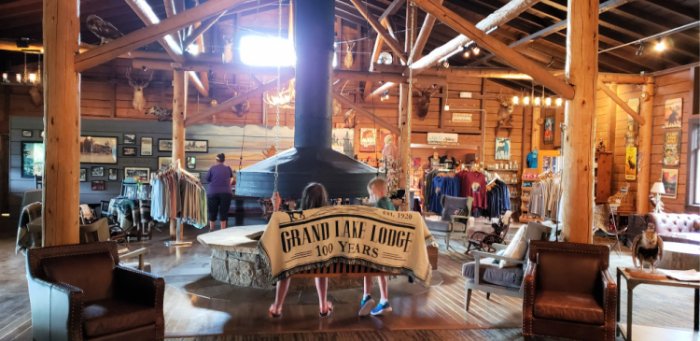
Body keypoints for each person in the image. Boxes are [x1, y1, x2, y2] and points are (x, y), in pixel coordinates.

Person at [268, 183, 333, 318]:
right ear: (324, 199)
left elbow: (275, 228)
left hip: (297, 264)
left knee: (285, 266)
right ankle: (323, 306)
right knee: (322, 266)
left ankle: (277, 307)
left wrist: (276, 206)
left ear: (305, 199)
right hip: (319, 264)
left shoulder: (295, 218)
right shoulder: (330, 220)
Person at [359, 177, 394, 316]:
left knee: (365, 260)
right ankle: (379, 299)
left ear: (377, 191)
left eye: (371, 193)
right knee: (378, 270)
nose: (370, 197)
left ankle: (368, 296)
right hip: (389, 246)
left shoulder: (379, 204)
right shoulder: (390, 204)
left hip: (380, 247)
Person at [206, 153, 233, 231]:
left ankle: (211, 230)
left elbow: (207, 179)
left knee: (212, 211)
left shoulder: (212, 168)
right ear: (224, 160)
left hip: (212, 192)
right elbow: (232, 179)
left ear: (216, 160)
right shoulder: (228, 168)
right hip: (226, 193)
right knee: (223, 212)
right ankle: (222, 231)